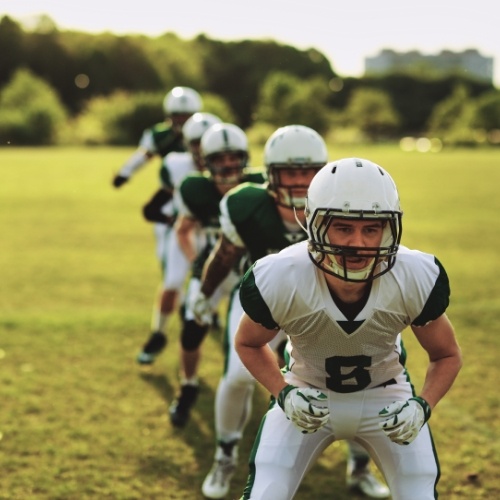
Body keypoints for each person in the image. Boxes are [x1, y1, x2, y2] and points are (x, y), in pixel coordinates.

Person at [234, 157, 463, 500]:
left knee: (419, 491)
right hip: (306, 391)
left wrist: (422, 405)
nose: (358, 242)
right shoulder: (282, 276)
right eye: (343, 227)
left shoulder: (414, 275)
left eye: (371, 228)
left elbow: (446, 354)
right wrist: (284, 392)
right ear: (315, 224)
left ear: (388, 228)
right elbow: (248, 343)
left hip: (387, 397)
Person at [190, 126, 390, 499]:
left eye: (307, 171)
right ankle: (225, 453)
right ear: (271, 173)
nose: (299, 181)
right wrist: (204, 294)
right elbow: (225, 254)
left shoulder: (342, 202)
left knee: (362, 379)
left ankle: (360, 465)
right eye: (290, 172)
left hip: (321, 303)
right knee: (236, 376)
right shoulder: (246, 205)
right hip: (264, 300)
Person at [168, 122, 266, 428]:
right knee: (191, 330)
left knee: (258, 337)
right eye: (219, 158)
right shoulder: (195, 189)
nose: (227, 164)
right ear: (205, 161)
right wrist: (198, 262)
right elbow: (183, 230)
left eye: (233, 157)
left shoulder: (260, 185)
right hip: (213, 269)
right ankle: (188, 385)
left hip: (248, 273)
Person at [136, 112, 221, 364]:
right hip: (184, 232)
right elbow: (153, 207)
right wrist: (168, 219)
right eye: (195, 142)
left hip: (216, 236)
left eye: (206, 141)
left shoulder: (229, 167)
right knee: (172, 282)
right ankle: (158, 333)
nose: (201, 148)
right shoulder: (175, 165)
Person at [112, 86, 202, 188]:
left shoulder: (205, 131)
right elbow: (144, 155)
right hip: (172, 185)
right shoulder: (160, 135)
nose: (182, 120)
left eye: (186, 116)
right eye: (177, 115)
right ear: (169, 115)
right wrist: (124, 173)